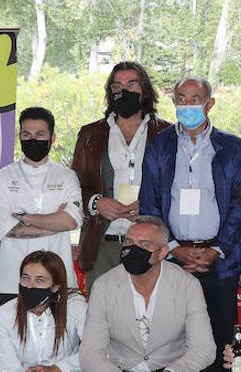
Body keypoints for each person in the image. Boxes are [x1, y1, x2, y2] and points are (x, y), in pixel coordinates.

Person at [139, 76, 241, 372]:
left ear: (210, 103)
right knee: (171, 337)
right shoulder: (159, 145)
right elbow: (150, 203)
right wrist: (173, 247)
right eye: (181, 99)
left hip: (218, 257)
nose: (188, 105)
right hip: (172, 257)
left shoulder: (232, 147)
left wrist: (216, 248)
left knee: (222, 337)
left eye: (196, 98)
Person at [68, 216, 221, 372]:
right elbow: (90, 353)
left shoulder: (187, 285)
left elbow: (204, 349)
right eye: (128, 242)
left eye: (143, 243)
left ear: (162, 252)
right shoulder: (104, 286)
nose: (131, 249)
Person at [71, 61, 171, 291]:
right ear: (110, 92)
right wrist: (96, 202)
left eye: (132, 84)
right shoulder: (90, 135)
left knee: (150, 318)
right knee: (102, 317)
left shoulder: (167, 133)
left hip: (151, 244)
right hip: (104, 243)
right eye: (117, 86)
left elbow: (175, 186)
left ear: (144, 89)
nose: (124, 91)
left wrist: (149, 204)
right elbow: (74, 185)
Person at [0, 107, 82, 302]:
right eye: (26, 134)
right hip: (13, 280)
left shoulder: (67, 176)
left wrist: (25, 218)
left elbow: (70, 222)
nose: (33, 140)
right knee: (12, 332)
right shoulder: (2, 177)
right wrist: (53, 223)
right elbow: (5, 229)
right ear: (19, 136)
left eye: (40, 134)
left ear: (52, 137)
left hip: (58, 278)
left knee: (58, 333)